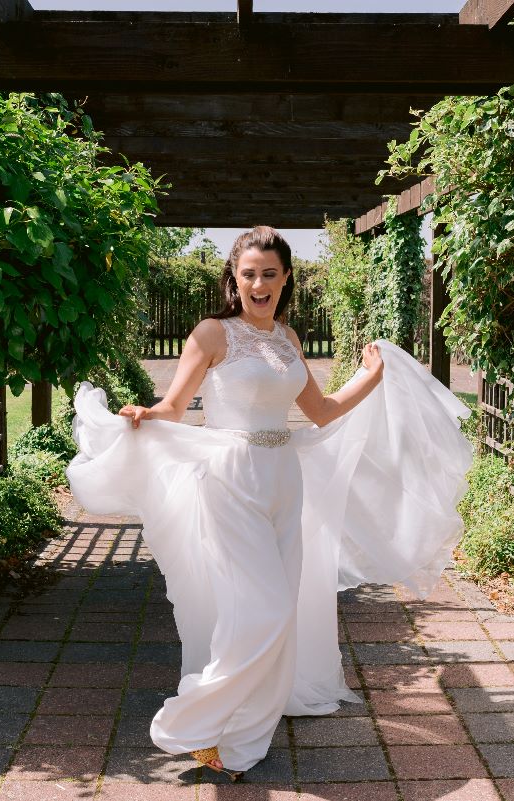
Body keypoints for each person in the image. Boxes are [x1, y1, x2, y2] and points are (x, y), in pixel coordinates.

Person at [67, 226, 472, 780]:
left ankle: (238, 743)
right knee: (264, 609)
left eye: (270, 274)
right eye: (249, 274)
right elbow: (174, 406)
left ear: (285, 279)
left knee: (283, 611)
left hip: (283, 477)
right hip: (231, 478)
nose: (259, 284)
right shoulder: (212, 333)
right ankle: (193, 720)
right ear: (234, 279)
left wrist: (370, 376)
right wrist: (145, 413)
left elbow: (323, 411)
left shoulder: (287, 337)